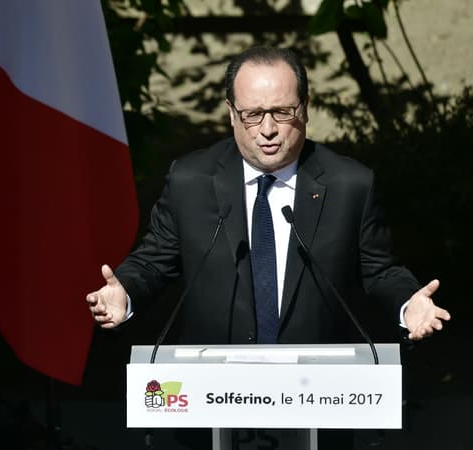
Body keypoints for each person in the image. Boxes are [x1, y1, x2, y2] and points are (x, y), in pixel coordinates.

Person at [85, 46, 450, 448]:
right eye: (252, 114)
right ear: (231, 114)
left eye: (282, 112)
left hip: (317, 398)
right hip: (210, 401)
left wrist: (408, 302)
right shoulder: (191, 180)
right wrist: (125, 291)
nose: (268, 129)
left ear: (305, 109)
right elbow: (155, 261)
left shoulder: (349, 185)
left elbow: (379, 269)